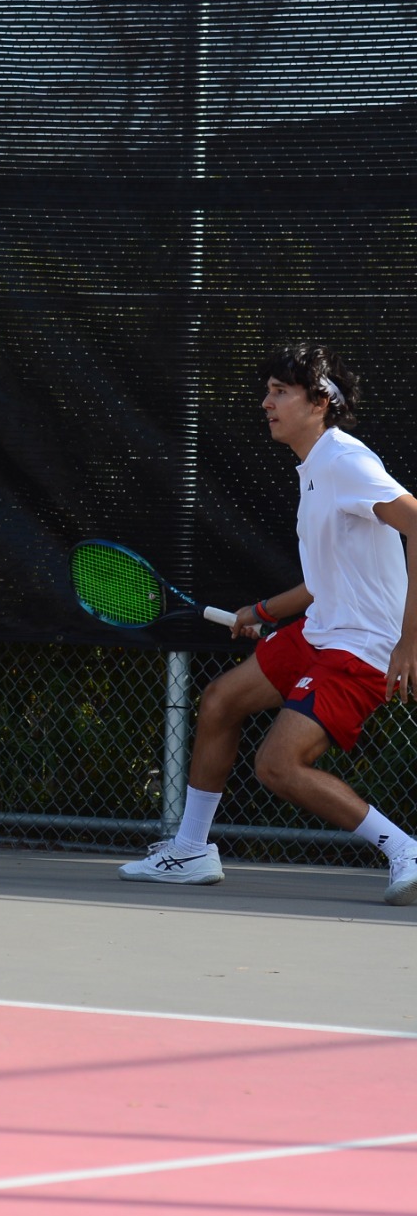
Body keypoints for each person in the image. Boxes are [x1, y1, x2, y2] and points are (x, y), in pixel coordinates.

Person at [120, 344, 417, 905]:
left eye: (281, 392)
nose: (267, 403)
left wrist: (410, 640)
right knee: (220, 700)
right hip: (323, 627)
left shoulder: (346, 462)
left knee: (279, 765)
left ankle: (405, 849)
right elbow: (326, 579)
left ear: (320, 401)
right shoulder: (314, 471)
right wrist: (261, 612)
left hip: (362, 645)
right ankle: (191, 850)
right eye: (268, 392)